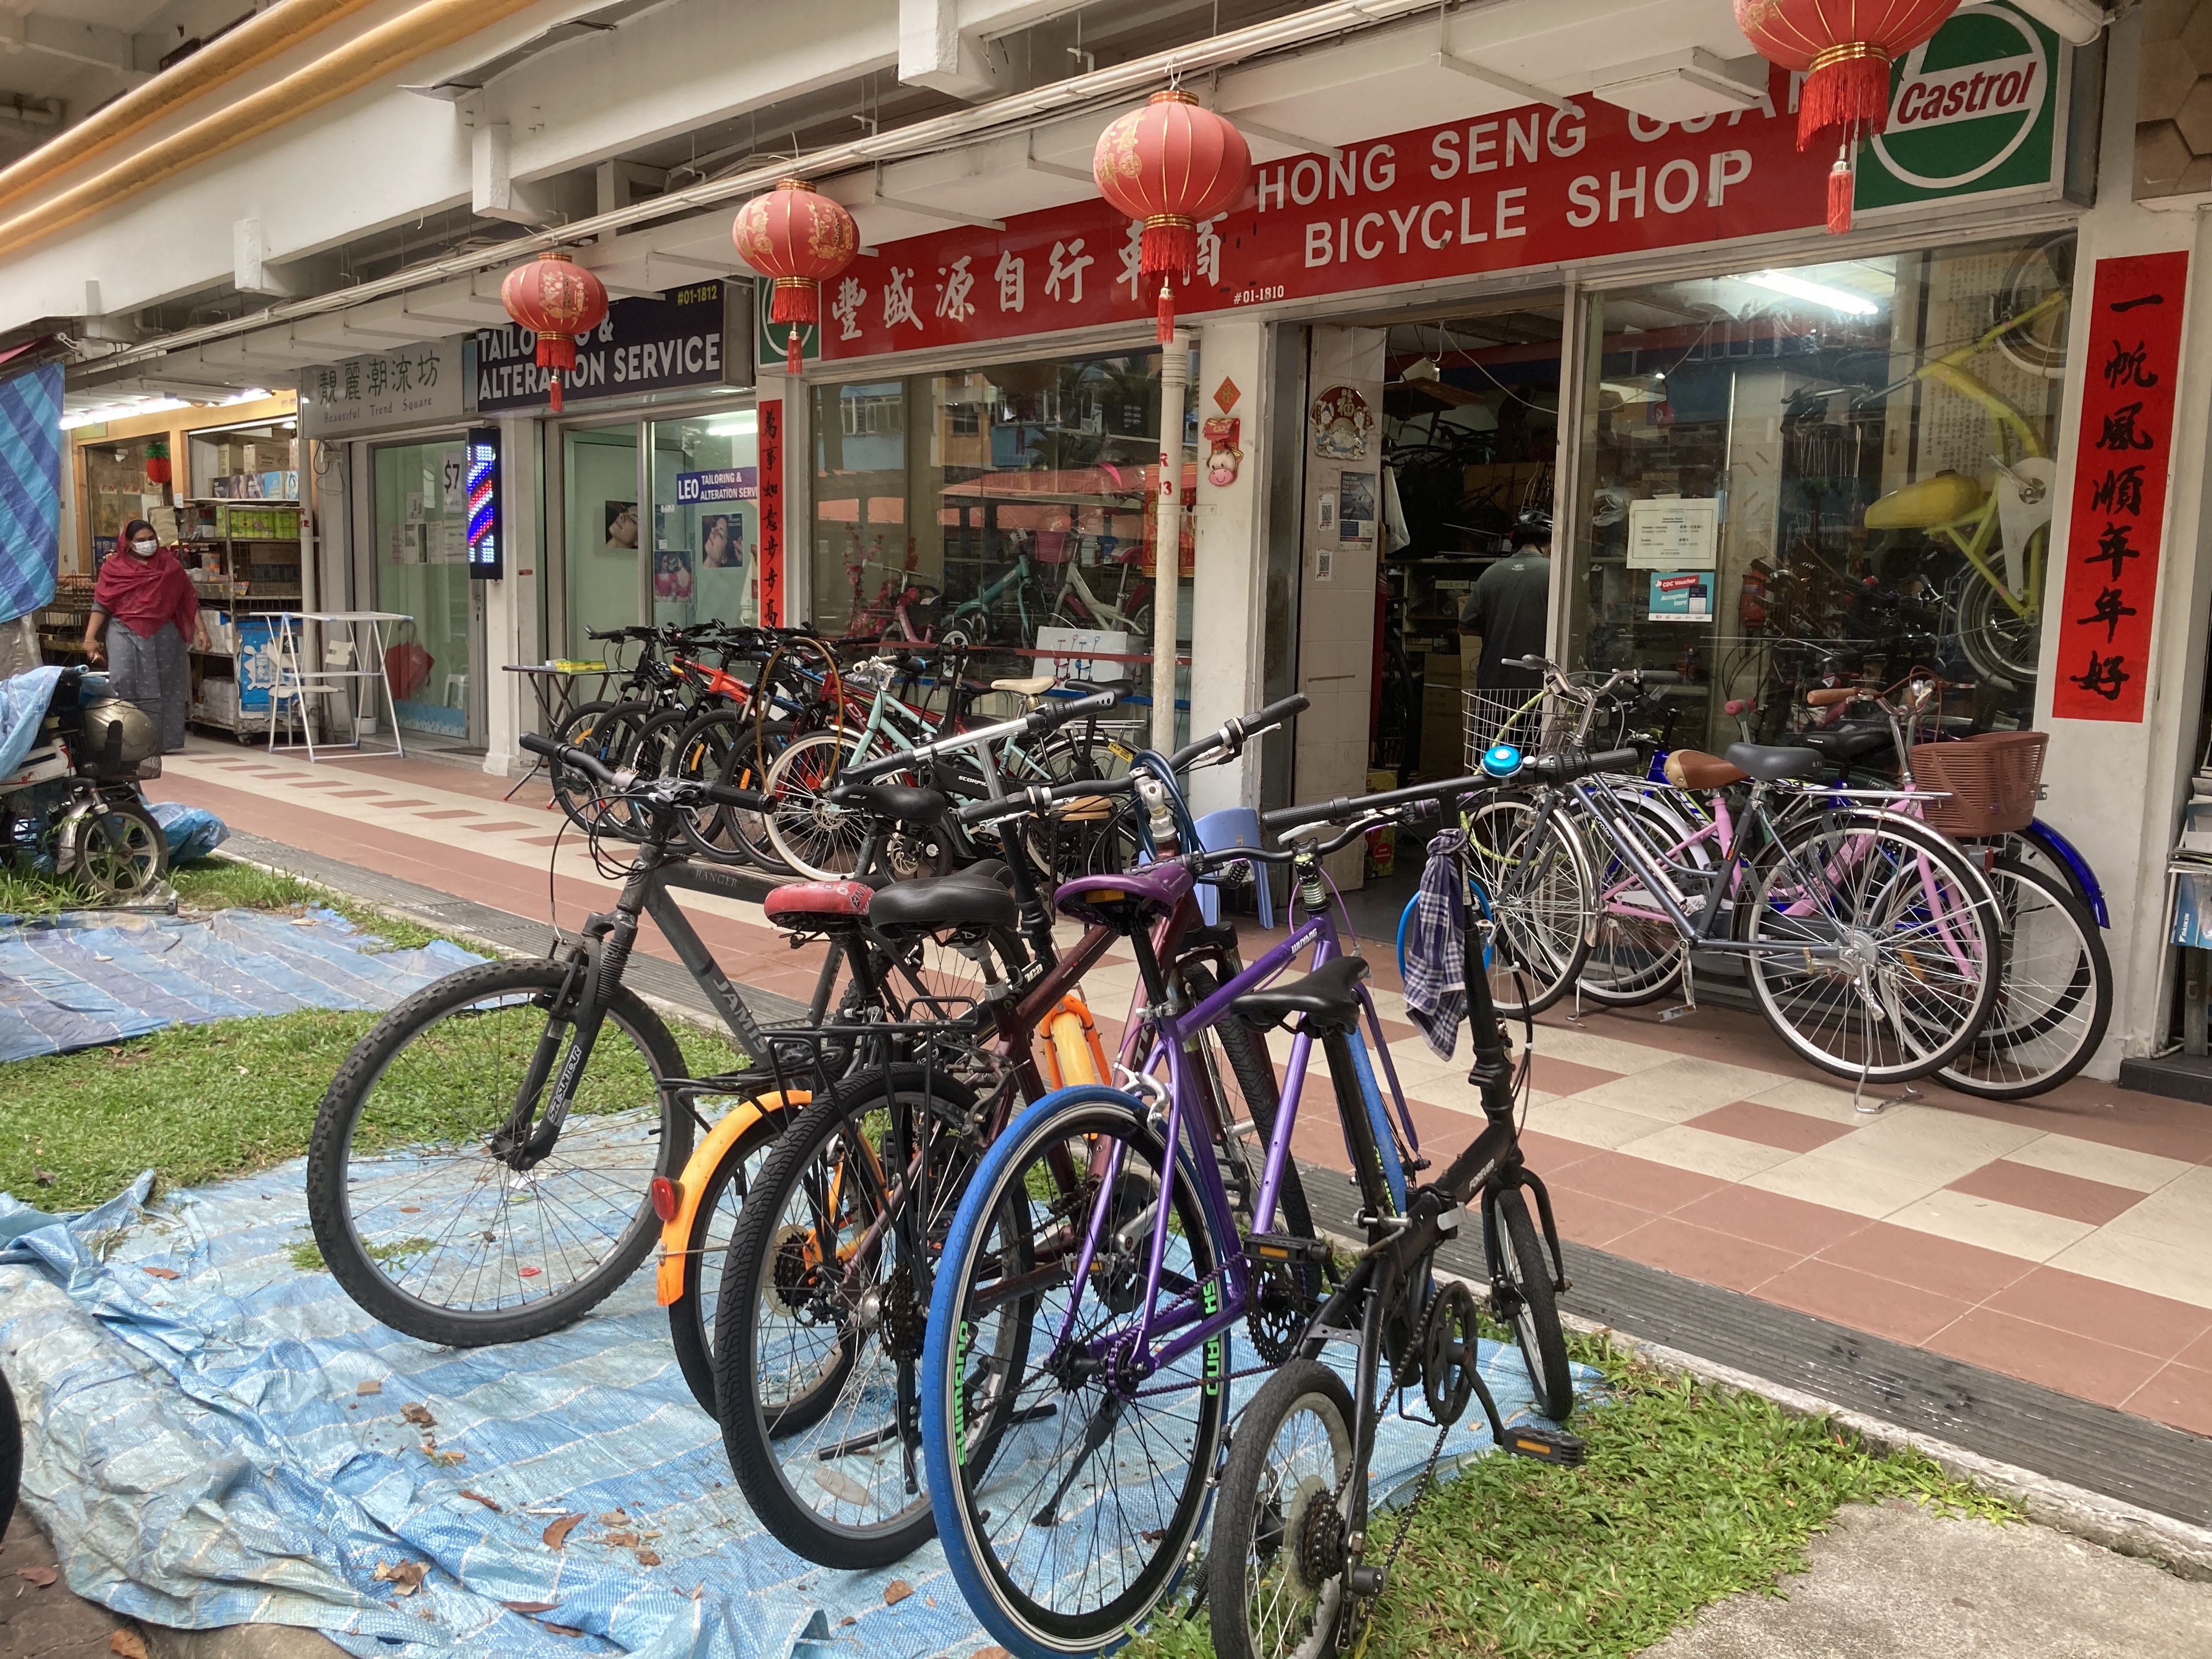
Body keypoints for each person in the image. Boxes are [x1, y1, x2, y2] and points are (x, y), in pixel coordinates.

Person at [83, 519, 209, 753]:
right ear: (128, 543)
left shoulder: (170, 567)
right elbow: (101, 604)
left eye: (151, 539)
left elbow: (187, 599)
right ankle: (127, 740)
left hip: (164, 634)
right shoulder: (114, 569)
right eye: (141, 541)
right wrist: (90, 639)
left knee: (165, 686)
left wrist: (202, 630)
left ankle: (160, 742)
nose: (148, 544)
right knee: (123, 680)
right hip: (124, 630)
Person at [1458, 508, 1554, 693]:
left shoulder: (1490, 574)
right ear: (1550, 544)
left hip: (1492, 689)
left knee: (1493, 724)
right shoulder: (1554, 574)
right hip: (1538, 691)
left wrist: (1500, 627)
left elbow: (1465, 627)